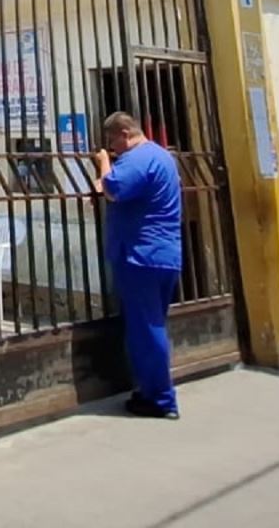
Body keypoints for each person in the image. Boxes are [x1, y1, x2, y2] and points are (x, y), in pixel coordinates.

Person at [93, 113, 185, 419]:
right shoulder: (162, 156)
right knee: (153, 324)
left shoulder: (139, 158)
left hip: (141, 256)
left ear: (123, 133)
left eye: (112, 143)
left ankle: (160, 399)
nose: (113, 149)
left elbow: (113, 188)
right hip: (163, 254)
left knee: (146, 329)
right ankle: (151, 389)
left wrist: (103, 161)